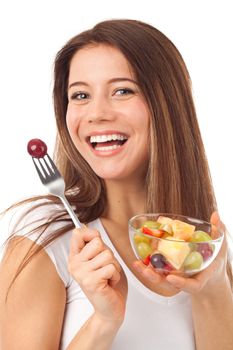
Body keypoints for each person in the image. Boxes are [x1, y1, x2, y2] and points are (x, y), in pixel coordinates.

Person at [0, 19, 232, 350]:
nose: (96, 113)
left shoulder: (197, 250)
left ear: (166, 105)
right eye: (80, 95)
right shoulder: (44, 241)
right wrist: (103, 322)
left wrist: (215, 285)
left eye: (122, 90)